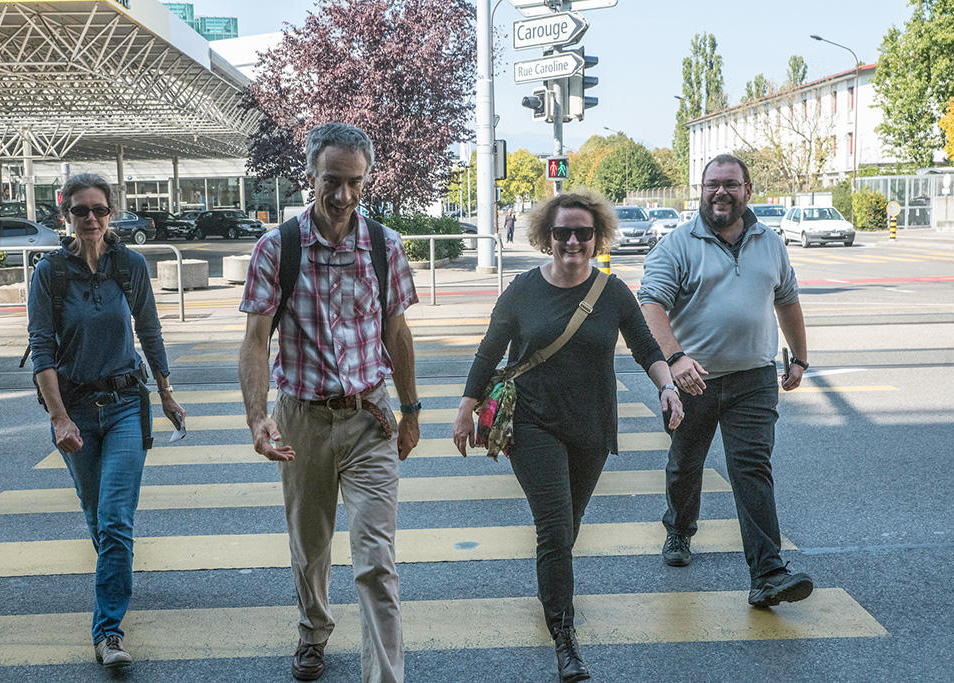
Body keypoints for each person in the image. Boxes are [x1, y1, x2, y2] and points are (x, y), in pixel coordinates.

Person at [452, 191, 683, 683]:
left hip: (591, 428)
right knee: (555, 528)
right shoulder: (521, 291)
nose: (573, 241)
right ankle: (565, 637)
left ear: (597, 238)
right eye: (562, 233)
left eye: (582, 233)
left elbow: (645, 346)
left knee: (567, 528)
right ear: (546, 238)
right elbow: (488, 352)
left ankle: (551, 591)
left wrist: (667, 388)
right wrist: (465, 411)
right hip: (531, 425)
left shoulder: (613, 293)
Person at [238, 122, 420, 683]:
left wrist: (411, 411)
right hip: (302, 419)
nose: (343, 196)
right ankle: (313, 630)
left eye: (355, 183)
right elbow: (255, 339)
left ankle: (384, 678)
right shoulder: (279, 247)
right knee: (311, 546)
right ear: (311, 177)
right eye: (332, 182)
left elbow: (398, 332)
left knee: (376, 563)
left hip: (370, 418)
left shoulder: (385, 247)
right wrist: (258, 417)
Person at [638, 153, 814, 609]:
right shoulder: (677, 245)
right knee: (686, 462)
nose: (721, 192)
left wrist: (800, 358)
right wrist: (674, 360)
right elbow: (651, 305)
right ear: (700, 190)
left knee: (751, 468)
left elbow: (788, 300)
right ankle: (678, 529)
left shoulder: (770, 243)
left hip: (754, 378)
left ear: (748, 191)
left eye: (731, 184)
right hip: (692, 380)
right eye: (712, 184)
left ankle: (768, 574)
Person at [27, 173, 184, 668]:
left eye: (98, 209)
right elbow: (43, 352)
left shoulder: (129, 265)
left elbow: (150, 330)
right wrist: (58, 419)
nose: (90, 218)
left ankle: (107, 632)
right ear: (66, 216)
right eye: (80, 210)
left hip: (123, 407)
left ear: (110, 213)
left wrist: (165, 391)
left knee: (115, 521)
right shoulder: (49, 274)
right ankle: (116, 577)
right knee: (99, 519)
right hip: (73, 411)